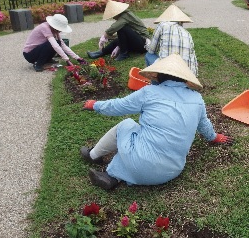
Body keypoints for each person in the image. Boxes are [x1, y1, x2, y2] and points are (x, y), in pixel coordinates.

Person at [78, 56, 232, 190]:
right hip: (172, 171)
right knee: (143, 143)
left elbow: (119, 106)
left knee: (127, 125)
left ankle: (94, 156)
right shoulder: (197, 99)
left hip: (141, 165)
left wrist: (95, 105)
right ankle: (114, 178)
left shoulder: (149, 92)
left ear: (158, 76)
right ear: (185, 78)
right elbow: (203, 125)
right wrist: (214, 137)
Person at [144, 4, 197, 73]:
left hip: (166, 72)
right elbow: (192, 58)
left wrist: (147, 43)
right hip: (186, 75)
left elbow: (152, 50)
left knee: (148, 55)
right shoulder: (187, 33)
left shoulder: (162, 25)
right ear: (181, 21)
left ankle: (156, 82)